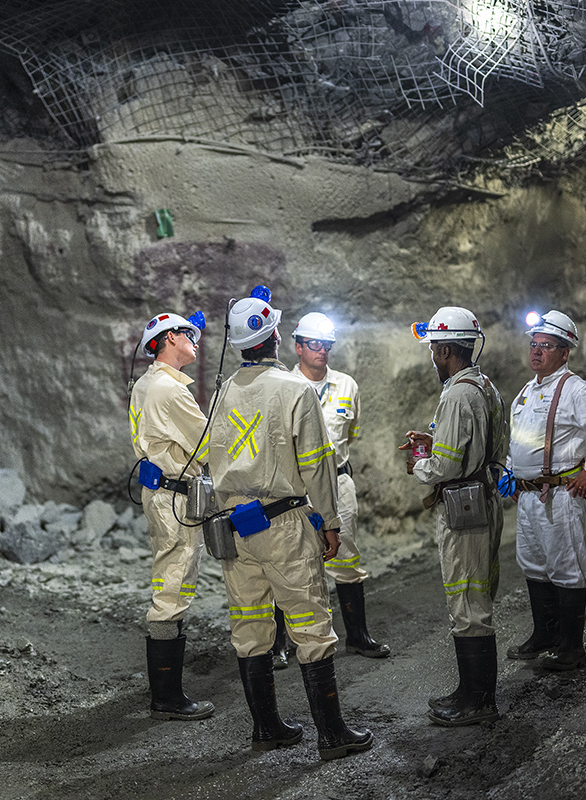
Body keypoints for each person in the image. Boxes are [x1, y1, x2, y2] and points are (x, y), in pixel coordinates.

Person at [206, 286, 373, 761]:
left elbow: (210, 461)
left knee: (251, 627)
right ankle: (332, 733)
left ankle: (267, 728)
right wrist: (329, 521)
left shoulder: (221, 394)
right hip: (282, 522)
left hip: (235, 527)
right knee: (310, 625)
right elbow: (318, 465)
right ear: (275, 336)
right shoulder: (296, 390)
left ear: (240, 343)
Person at [401, 307, 508, 727]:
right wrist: (437, 439)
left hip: (465, 508)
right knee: (473, 597)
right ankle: (469, 692)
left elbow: (445, 467)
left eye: (433, 349)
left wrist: (419, 465)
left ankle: (479, 701)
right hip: (482, 498)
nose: (431, 357)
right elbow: (477, 446)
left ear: (446, 349)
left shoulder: (457, 393)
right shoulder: (482, 386)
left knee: (468, 602)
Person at [267, 312, 388, 669]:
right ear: (298, 346)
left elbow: (350, 434)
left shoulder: (346, 385)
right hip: (295, 490)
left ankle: (358, 635)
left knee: (347, 558)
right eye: (315, 344)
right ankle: (280, 643)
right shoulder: (281, 385)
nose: (323, 350)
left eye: (328, 344)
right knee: (289, 561)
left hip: (337, 482)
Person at [504, 310, 586, 672]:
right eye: (534, 344)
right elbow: (519, 442)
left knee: (566, 567)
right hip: (528, 495)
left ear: (565, 352)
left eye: (547, 346)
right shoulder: (527, 391)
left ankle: (571, 648)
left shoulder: (574, 389)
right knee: (535, 565)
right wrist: (511, 476)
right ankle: (545, 636)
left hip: (560, 495)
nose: (537, 351)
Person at [129, 311, 214, 721]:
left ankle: (167, 692)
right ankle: (167, 697)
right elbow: (210, 445)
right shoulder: (170, 391)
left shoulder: (148, 384)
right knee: (173, 588)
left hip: (161, 493)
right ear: (168, 339)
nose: (194, 340)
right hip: (175, 500)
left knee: (170, 582)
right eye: (188, 334)